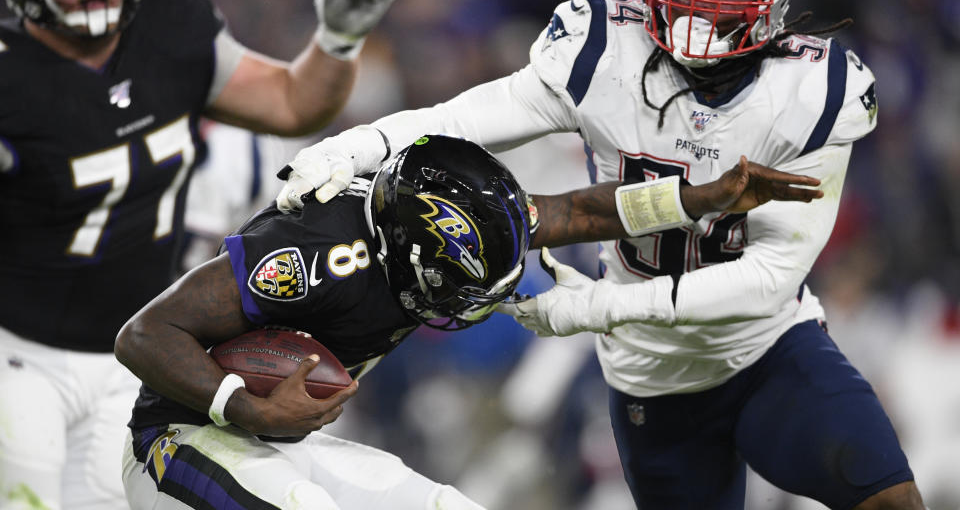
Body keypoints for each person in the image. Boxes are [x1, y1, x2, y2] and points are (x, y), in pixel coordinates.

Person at [273, 0, 925, 510]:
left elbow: (768, 279)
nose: (699, 0)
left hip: (764, 347)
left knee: (890, 498)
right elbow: (472, 115)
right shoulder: (603, 48)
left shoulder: (814, 90)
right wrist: (359, 145)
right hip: (650, 375)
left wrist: (600, 306)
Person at [114, 133, 824, 510]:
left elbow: (579, 212)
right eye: (458, 287)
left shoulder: (473, 227)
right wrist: (245, 409)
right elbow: (143, 333)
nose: (467, 302)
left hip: (281, 441)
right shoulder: (316, 256)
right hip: (182, 439)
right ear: (414, 255)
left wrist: (699, 199)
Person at [0, 0, 400, 509]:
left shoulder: (170, 22)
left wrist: (336, 42)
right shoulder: (11, 75)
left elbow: (294, 104)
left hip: (132, 352)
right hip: (18, 354)